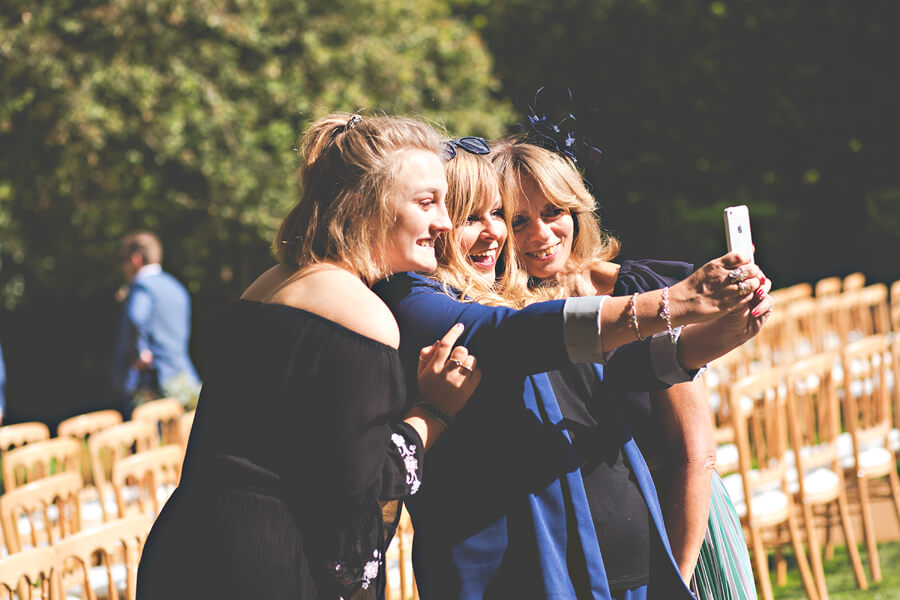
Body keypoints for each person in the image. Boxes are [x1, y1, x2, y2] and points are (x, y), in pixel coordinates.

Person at [373, 139, 771, 599]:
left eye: (497, 214)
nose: (496, 232)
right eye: (472, 217)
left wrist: (738, 325)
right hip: (518, 571)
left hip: (631, 554)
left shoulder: (515, 303)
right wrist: (677, 302)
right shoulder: (423, 302)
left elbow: (649, 368)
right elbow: (516, 336)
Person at [136, 113, 482, 600]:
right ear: (369, 204)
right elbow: (356, 493)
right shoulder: (362, 315)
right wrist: (434, 410)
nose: (444, 222)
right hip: (265, 567)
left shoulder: (268, 283)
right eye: (426, 202)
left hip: (185, 548)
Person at [491, 138, 758, 598]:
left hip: (678, 523)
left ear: (577, 211)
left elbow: (695, 456)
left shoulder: (641, 292)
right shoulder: (503, 316)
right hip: (583, 551)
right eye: (518, 220)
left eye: (553, 211)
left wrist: (676, 580)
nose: (540, 233)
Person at [113, 231, 200, 416]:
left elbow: (136, 316)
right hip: (184, 380)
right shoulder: (177, 287)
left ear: (135, 259)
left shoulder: (142, 285)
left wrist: (140, 352)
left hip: (154, 386)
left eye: (123, 261)